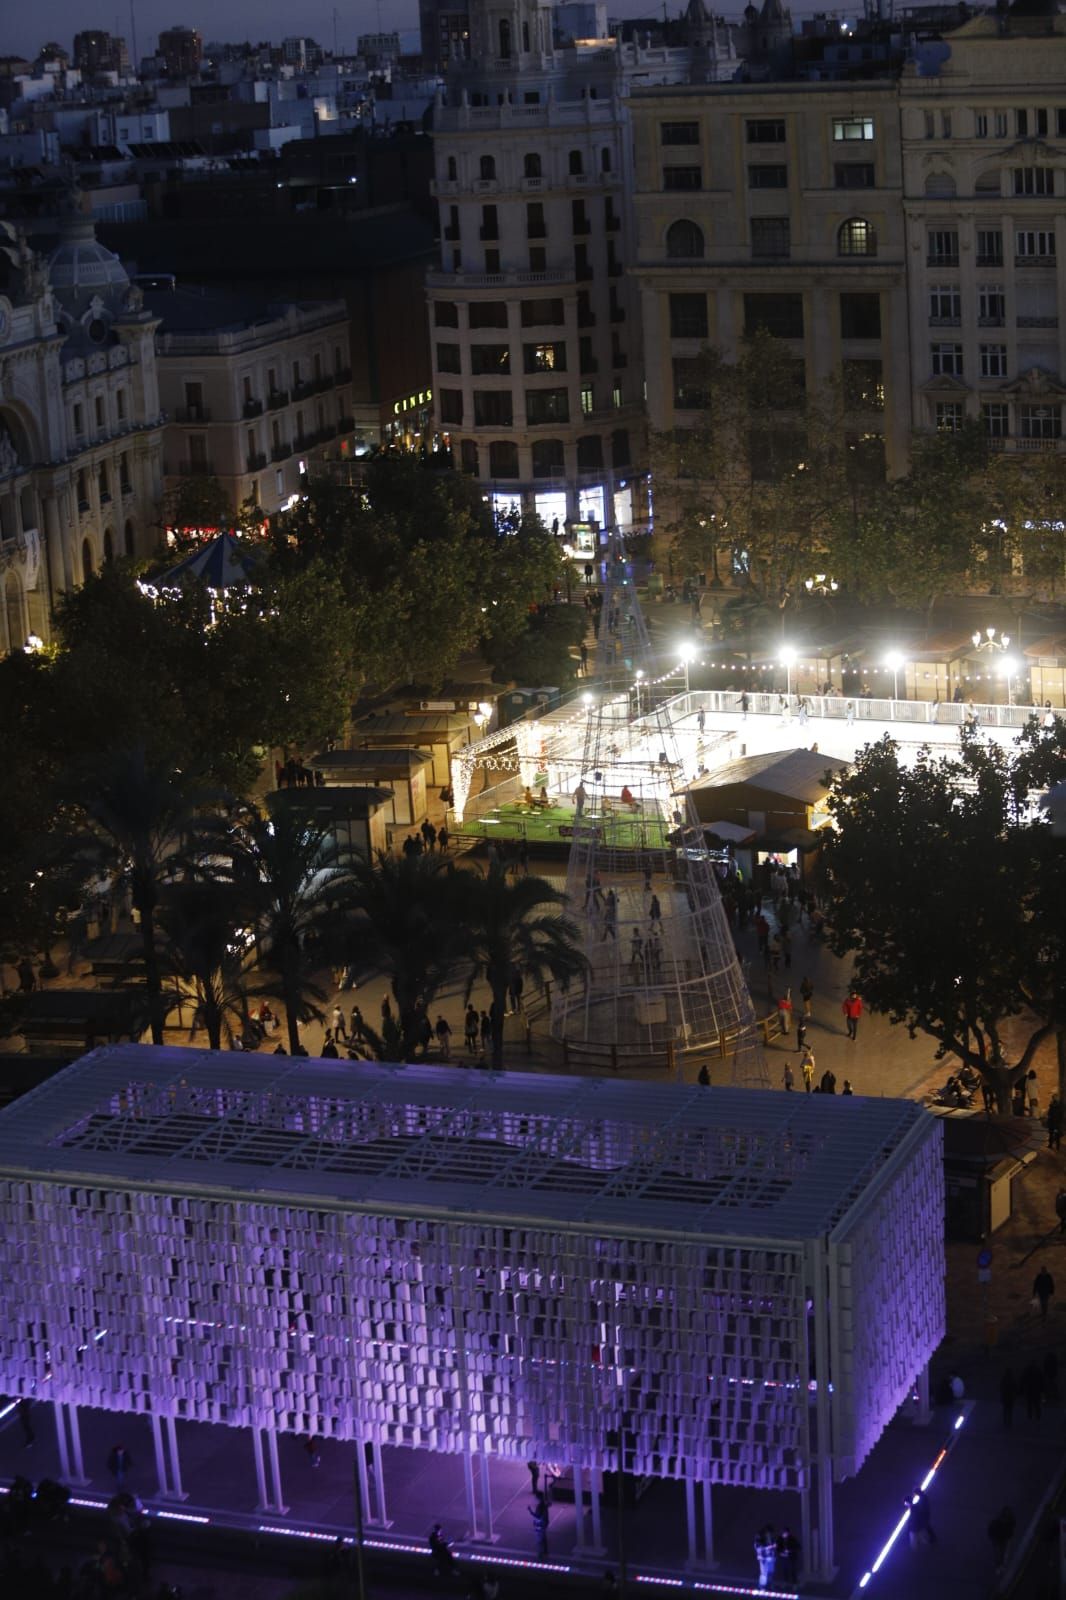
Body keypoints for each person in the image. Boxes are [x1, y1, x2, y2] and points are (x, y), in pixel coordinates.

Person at [988, 1506, 1015, 1571]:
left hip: (1004, 1539)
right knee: (998, 1553)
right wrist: (992, 1538)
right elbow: (990, 1530)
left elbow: (1012, 1528)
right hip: (997, 1539)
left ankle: (1001, 1565)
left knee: (1003, 1553)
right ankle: (998, 1565)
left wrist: (1010, 1537)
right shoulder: (996, 1522)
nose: (1005, 1520)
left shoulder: (1010, 1521)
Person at [529, 1492, 549, 1558]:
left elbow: (537, 1516)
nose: (535, 1499)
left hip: (540, 1524)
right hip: (544, 1523)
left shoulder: (540, 1506)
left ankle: (541, 1553)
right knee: (543, 1537)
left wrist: (530, 1511)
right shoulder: (544, 1504)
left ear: (538, 1498)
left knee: (539, 1539)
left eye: (536, 1497)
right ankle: (545, 1551)